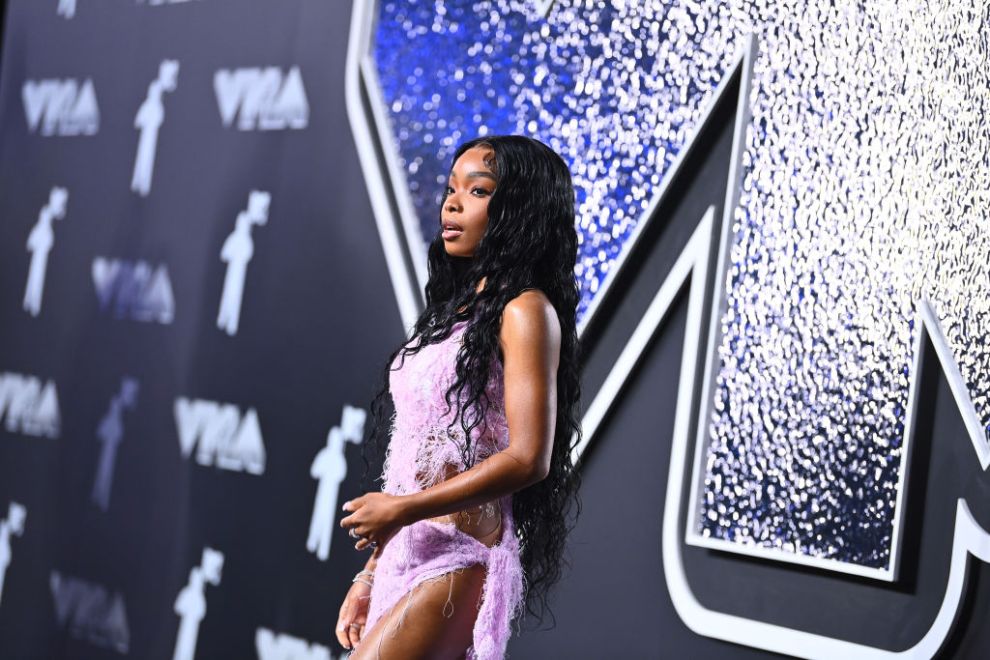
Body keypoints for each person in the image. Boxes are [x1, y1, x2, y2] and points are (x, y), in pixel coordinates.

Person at [335, 135, 583, 659]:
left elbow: (528, 457)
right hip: (405, 552)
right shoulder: (457, 311)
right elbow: (414, 456)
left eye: (477, 191)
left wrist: (402, 510)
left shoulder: (526, 312)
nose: (451, 203)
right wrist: (369, 573)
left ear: (519, 209)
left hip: (457, 558)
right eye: (451, 189)